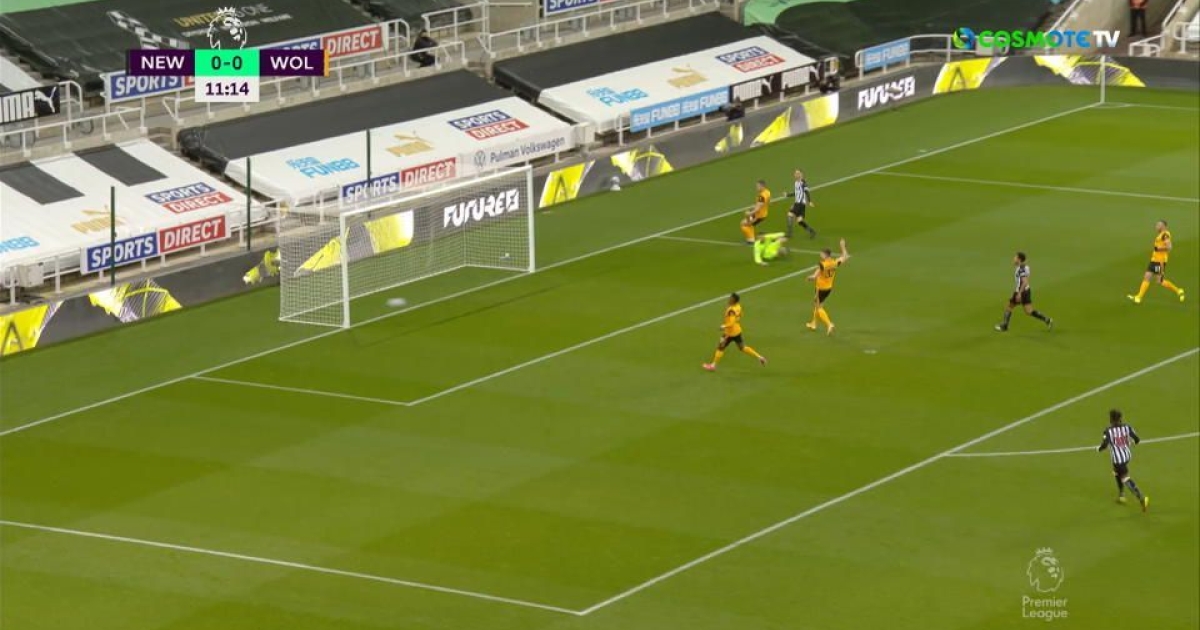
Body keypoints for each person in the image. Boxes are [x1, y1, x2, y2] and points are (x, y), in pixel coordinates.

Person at [1098, 409, 1149, 511]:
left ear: (1111, 419)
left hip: (1118, 460)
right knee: (1116, 472)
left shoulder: (1108, 431)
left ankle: (1141, 498)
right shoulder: (1127, 427)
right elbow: (1137, 440)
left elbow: (1105, 444)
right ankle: (1121, 495)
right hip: (1127, 456)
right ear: (1120, 418)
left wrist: (1098, 449)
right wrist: (1130, 443)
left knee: (1125, 478)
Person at [703, 293, 767, 371]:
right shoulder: (738, 307)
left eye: (730, 298)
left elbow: (731, 323)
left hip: (729, 333)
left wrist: (724, 326)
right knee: (742, 347)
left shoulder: (731, 310)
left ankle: (713, 365)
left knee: (720, 348)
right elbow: (741, 315)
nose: (729, 299)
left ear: (733, 300)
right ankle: (760, 357)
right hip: (737, 331)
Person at [1127, 219, 1185, 304]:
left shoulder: (1165, 234)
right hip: (1155, 260)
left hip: (1159, 262)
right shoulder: (1161, 235)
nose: (1156, 226)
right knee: (1147, 277)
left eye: (1158, 225)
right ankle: (1139, 297)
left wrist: (1158, 249)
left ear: (1163, 226)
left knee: (1159, 281)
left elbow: (1169, 247)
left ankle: (1178, 290)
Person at [995, 252, 1053, 332]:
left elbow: (1025, 281)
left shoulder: (1021, 269)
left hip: (1021, 291)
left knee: (1009, 306)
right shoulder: (1026, 267)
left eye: (1015, 257)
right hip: (1027, 290)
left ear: (1019, 259)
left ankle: (1004, 326)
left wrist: (1019, 293)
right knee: (1029, 311)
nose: (1013, 259)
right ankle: (1047, 320)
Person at [806, 239, 849, 335]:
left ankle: (829, 324)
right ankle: (813, 323)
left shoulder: (822, 264)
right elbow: (845, 257)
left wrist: (810, 277)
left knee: (818, 307)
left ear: (825, 255)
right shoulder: (834, 262)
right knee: (817, 303)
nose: (820, 255)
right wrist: (842, 246)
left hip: (820, 288)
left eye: (821, 254)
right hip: (828, 288)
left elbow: (815, 276)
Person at [784, 169, 817, 239]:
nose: (796, 174)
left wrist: (810, 201)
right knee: (799, 220)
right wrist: (788, 195)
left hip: (800, 203)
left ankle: (789, 234)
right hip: (799, 204)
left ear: (801, 174)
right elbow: (796, 193)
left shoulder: (803, 182)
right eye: (795, 173)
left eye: (797, 173)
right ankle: (812, 231)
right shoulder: (796, 183)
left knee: (789, 215)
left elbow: (807, 191)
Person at [740, 180, 771, 244]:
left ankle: (751, 240)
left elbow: (757, 208)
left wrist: (749, 213)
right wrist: (752, 209)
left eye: (758, 186)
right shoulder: (767, 192)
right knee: (748, 223)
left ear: (762, 186)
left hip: (758, 216)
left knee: (744, 224)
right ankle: (751, 238)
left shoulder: (761, 196)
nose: (756, 188)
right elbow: (765, 203)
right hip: (762, 214)